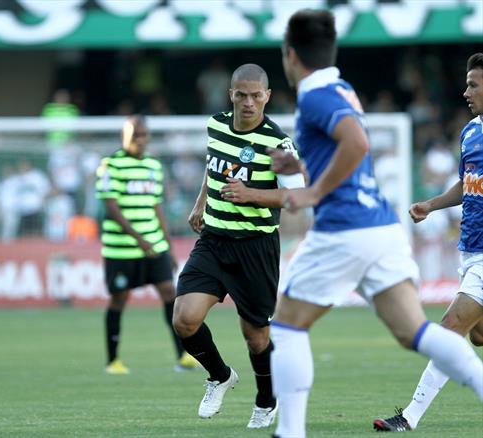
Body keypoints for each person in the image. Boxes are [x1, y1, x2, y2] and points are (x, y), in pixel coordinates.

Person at [268, 10, 483, 438]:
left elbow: (357, 143)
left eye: (472, 84)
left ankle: (288, 432)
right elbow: (347, 153)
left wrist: (310, 193)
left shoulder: (315, 94)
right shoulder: (343, 89)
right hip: (382, 228)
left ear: (290, 56)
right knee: (418, 331)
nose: (465, 91)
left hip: (346, 228)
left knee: (287, 325)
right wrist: (302, 166)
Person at [172, 63, 304, 429]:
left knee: (255, 336)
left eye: (255, 95)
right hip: (213, 240)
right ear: (230, 95)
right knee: (184, 320)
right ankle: (219, 375)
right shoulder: (215, 124)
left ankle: (266, 399)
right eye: (241, 95)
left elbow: (296, 196)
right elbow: (213, 170)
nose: (248, 102)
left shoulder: (278, 144)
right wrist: (201, 203)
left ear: (267, 97)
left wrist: (252, 195)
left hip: (255, 246)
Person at [373, 52, 483, 433]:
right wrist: (433, 205)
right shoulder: (471, 132)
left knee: (449, 328)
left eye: (474, 84)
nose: (466, 91)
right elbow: (467, 184)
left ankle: (409, 417)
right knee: (479, 335)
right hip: (469, 249)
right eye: (467, 82)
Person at [96, 115, 200, 375]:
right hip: (121, 249)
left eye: (144, 136)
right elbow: (111, 208)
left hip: (154, 246)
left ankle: (183, 356)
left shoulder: (153, 166)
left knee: (169, 293)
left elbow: (157, 207)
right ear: (125, 137)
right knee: (119, 299)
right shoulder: (110, 166)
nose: (140, 141)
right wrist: (140, 240)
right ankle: (113, 360)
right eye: (135, 136)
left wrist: (166, 244)